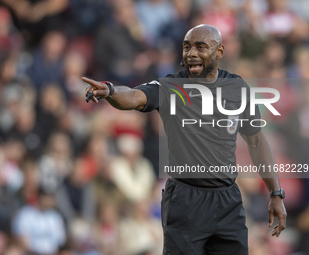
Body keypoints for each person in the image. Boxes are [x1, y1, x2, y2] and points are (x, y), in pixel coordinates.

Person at [83, 24, 287, 255]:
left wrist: (276, 193)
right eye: (187, 47)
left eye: (200, 47)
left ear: (219, 52)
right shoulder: (170, 88)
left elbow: (257, 142)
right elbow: (133, 96)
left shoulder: (236, 88)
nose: (191, 53)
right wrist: (110, 91)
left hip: (228, 200)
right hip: (185, 200)